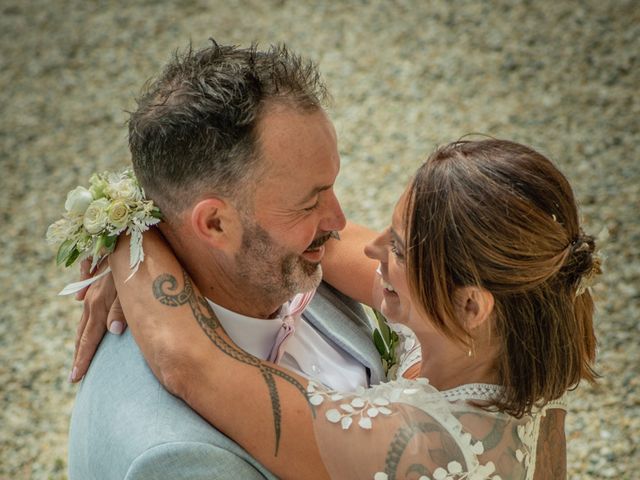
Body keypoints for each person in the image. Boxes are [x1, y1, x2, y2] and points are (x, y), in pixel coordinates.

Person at [102, 138, 600, 479]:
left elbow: (187, 361)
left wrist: (124, 228)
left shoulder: (414, 445)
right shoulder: (531, 324)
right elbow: (319, 244)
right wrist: (180, 202)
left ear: (470, 304)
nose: (374, 247)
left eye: (400, 250)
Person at [67, 41, 391, 480]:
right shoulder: (176, 459)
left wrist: (129, 236)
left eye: (331, 185)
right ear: (215, 224)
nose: (339, 220)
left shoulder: (291, 261)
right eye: (309, 201)